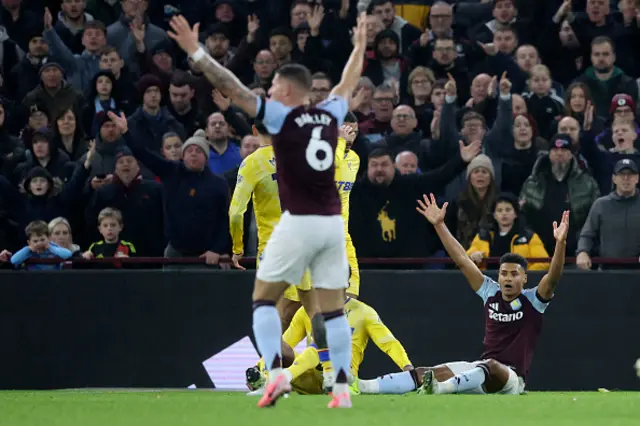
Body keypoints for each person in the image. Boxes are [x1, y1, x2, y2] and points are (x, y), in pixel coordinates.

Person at [167, 12, 367, 408]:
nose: (271, 89)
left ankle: (276, 377)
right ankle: (341, 386)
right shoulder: (331, 115)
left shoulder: (279, 117)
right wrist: (359, 46)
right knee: (330, 313)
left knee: (263, 302)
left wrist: (197, 53)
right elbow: (347, 82)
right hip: (332, 229)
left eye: (276, 84)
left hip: (298, 226)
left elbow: (232, 86)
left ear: (290, 91)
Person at [413, 193, 568, 395]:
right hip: (480, 371)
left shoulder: (533, 300)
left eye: (514, 274)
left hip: (511, 379)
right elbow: (462, 260)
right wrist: (439, 225)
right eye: (504, 274)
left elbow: (553, 276)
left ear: (525, 279)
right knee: (423, 372)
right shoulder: (490, 292)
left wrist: (560, 243)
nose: (508, 279)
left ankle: (440, 389)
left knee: (491, 366)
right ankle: (363, 385)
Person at [248, 292, 413, 396]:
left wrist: (407, 368)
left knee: (319, 344)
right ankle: (266, 381)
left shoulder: (363, 312)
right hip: (311, 377)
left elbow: (389, 343)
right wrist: (258, 366)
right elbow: (284, 344)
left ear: (346, 283)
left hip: (342, 377)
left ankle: (279, 380)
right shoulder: (307, 311)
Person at [467, 193, 549, 271]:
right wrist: (473, 256)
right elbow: (466, 258)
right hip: (488, 282)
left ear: (516, 213)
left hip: (518, 283)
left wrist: (522, 274)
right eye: (499, 210)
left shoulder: (529, 237)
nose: (504, 213)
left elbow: (544, 262)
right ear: (494, 215)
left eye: (508, 210)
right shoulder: (483, 236)